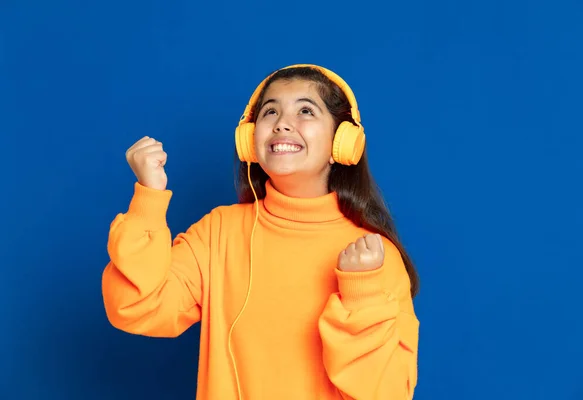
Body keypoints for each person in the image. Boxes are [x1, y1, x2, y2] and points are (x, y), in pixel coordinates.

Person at [101, 64, 420, 400]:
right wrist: (149, 197)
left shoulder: (373, 257)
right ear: (249, 141)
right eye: (271, 112)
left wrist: (363, 294)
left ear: (342, 143)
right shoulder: (219, 232)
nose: (282, 123)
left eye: (306, 111)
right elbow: (136, 307)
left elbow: (388, 393)